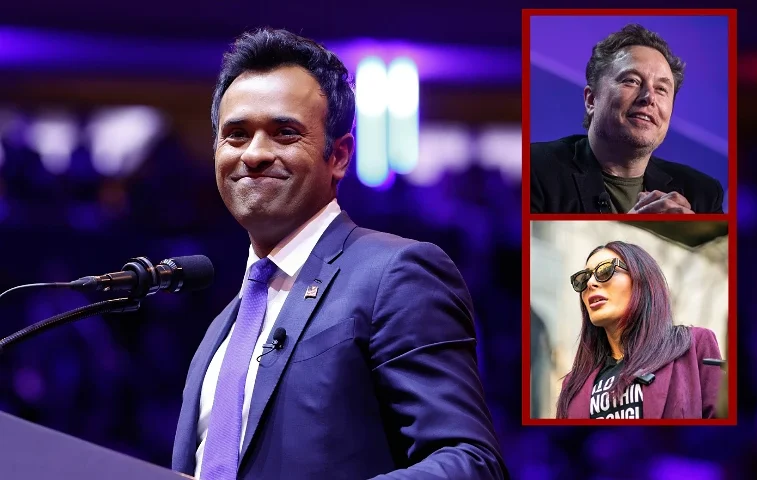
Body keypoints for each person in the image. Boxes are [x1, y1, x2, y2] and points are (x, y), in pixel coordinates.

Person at [170, 27, 508, 479]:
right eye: (236, 134)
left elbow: (470, 463)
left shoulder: (395, 274)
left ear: (340, 156)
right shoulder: (221, 330)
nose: (254, 153)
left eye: (285, 132)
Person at [530, 24, 725, 214]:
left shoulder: (702, 194)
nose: (649, 97)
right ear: (591, 100)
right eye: (631, 81)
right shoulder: (535, 168)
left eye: (661, 89)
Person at [556, 241, 724, 419]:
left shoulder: (694, 346)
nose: (590, 283)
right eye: (583, 278)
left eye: (605, 271)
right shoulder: (573, 385)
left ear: (641, 280)